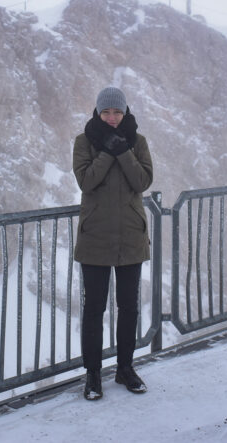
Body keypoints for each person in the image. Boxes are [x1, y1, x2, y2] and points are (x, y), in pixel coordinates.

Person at [72, 85, 154, 400]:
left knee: (128, 307)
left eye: (117, 112)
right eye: (106, 112)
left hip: (131, 236)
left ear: (125, 112)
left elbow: (142, 182)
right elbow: (87, 181)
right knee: (93, 308)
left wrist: (124, 151)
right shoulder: (84, 142)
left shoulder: (138, 142)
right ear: (97, 112)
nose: (112, 118)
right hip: (95, 237)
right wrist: (108, 151)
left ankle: (125, 369)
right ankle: (93, 374)